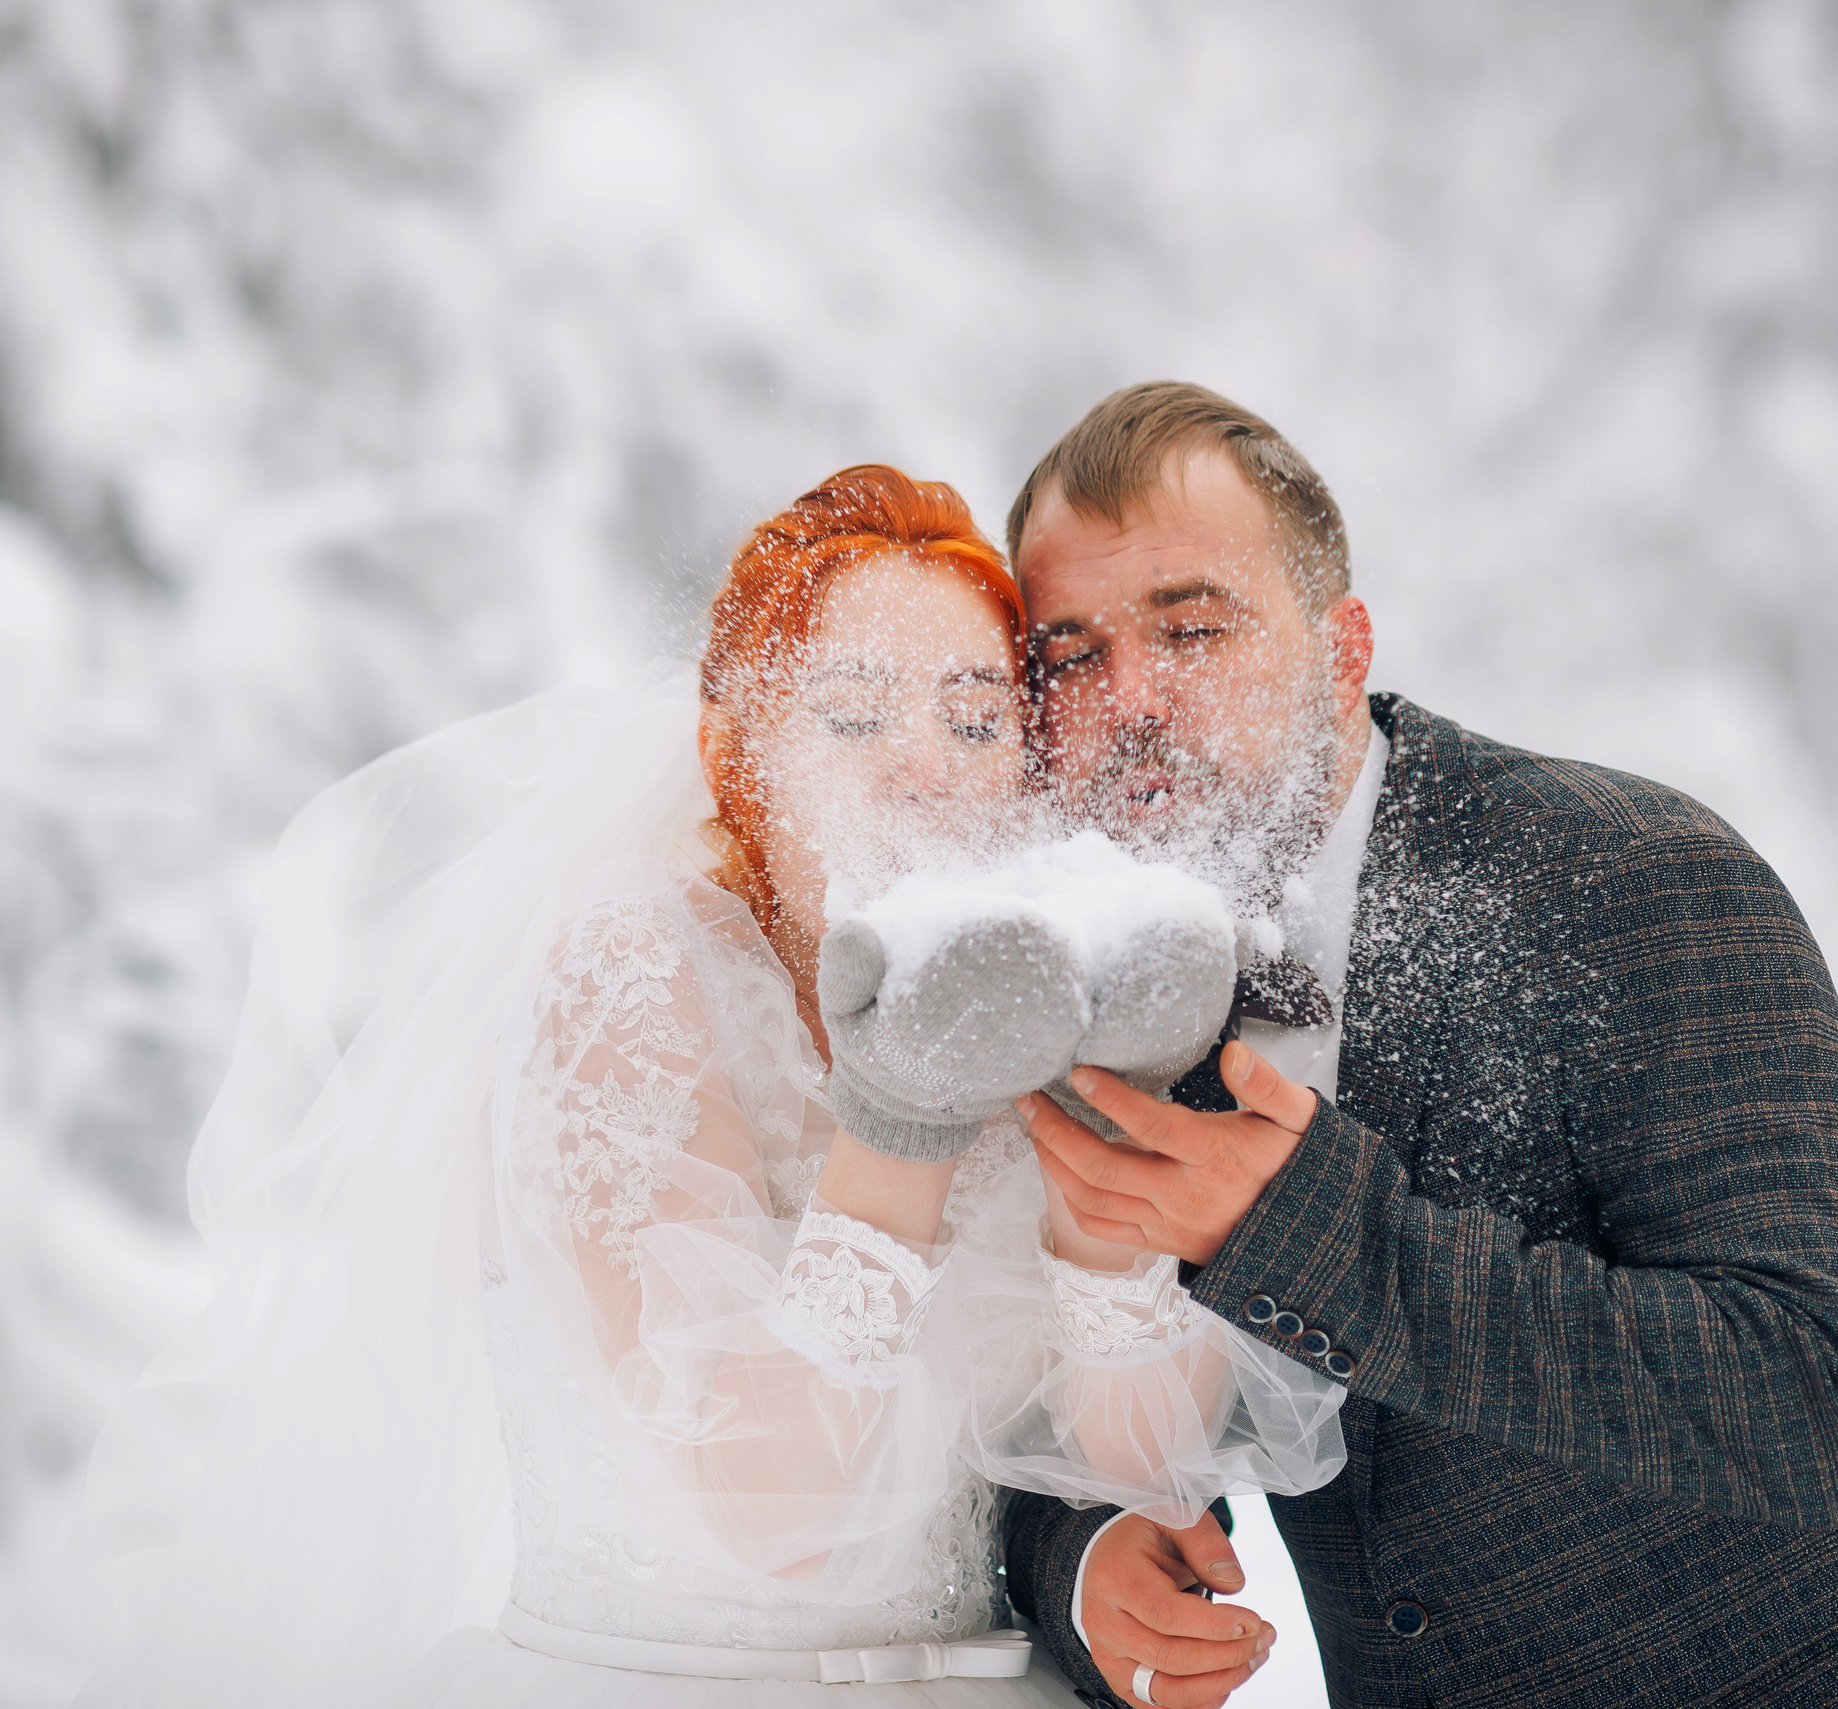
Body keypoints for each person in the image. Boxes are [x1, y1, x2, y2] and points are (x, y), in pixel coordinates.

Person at [70, 466, 1341, 1708]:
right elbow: (767, 1509)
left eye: (973, 721)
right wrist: (903, 1111)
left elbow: (1144, 1455)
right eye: (853, 716)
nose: (925, 767)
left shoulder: (1021, 997)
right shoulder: (630, 976)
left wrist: (1113, 1147)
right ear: (737, 748)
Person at [1001, 383, 1838, 1708]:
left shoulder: (1632, 874)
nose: (1132, 698)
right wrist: (1081, 1561)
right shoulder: (1093, 983)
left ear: (1341, 651)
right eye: (1072, 656)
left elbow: (1800, 1394)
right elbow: (1028, 1390)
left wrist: (1314, 1232)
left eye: (1193, 627)